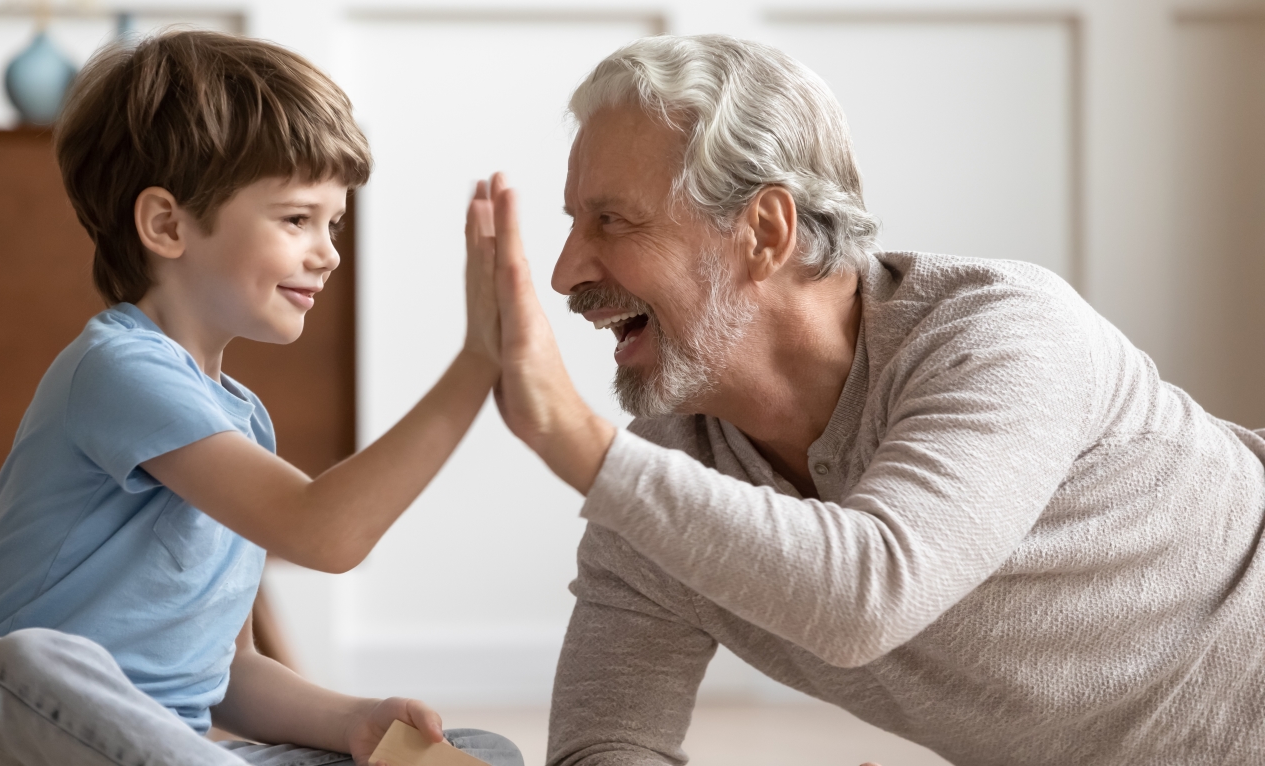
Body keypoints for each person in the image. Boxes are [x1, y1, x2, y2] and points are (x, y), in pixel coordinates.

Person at [472, 34, 1265, 765]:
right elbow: (607, 740)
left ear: (765, 231)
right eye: (575, 222)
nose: (568, 270)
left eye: (613, 221)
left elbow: (867, 592)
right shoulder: (666, 481)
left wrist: (567, 434)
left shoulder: (1000, 333)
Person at [0, 30, 520, 766]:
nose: (329, 251)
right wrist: (478, 363)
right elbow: (324, 533)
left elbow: (225, 672)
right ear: (166, 224)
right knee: (27, 667)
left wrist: (357, 721)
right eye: (296, 219)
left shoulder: (243, 420)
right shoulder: (115, 368)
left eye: (334, 222)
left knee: (474, 751)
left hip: (169, 752)